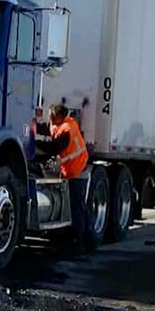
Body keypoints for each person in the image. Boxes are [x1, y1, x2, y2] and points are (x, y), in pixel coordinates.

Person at [34, 104, 94, 251]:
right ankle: (78, 239)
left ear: (60, 116)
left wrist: (34, 143)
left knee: (77, 208)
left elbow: (54, 147)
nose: (50, 118)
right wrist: (32, 126)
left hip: (78, 172)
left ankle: (80, 243)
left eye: (52, 115)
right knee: (76, 207)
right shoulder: (60, 124)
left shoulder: (67, 130)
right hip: (73, 171)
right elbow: (46, 128)